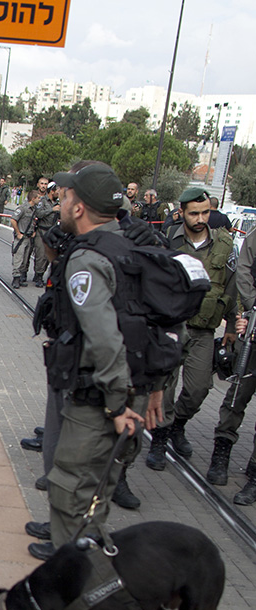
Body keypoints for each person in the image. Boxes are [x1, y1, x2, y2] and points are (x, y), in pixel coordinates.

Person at [26, 162, 153, 562]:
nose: (60, 203)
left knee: (71, 493)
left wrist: (116, 404)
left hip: (100, 400)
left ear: (78, 208)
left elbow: (104, 338)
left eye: (65, 198)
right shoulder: (130, 247)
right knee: (95, 496)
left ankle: (79, 596)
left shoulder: (88, 259)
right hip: (132, 392)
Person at [147, 187, 235, 471]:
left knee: (198, 389)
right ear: (182, 212)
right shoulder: (169, 240)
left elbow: (232, 286)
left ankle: (178, 425)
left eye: (205, 212)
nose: (200, 218)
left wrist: (233, 324)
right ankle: (159, 438)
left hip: (204, 330)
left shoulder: (224, 243)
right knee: (166, 387)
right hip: (173, 328)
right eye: (194, 213)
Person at [210, 234, 256, 494]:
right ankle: (222, 450)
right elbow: (244, 270)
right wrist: (252, 308)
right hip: (254, 329)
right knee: (237, 395)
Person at [31, 178, 60, 287]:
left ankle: (40, 274)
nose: (58, 193)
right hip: (42, 231)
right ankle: (38, 275)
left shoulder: (57, 203)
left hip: (52, 231)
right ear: (51, 191)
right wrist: (52, 210)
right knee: (40, 255)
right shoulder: (42, 201)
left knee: (48, 256)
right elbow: (38, 214)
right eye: (57, 191)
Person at [10, 189, 40, 288]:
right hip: (21, 237)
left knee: (25, 259)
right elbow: (13, 220)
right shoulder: (23, 208)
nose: (39, 200)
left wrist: (33, 231)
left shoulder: (34, 209)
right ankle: (16, 278)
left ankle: (21, 277)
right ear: (33, 198)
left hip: (28, 237)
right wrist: (18, 233)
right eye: (38, 198)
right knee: (18, 258)